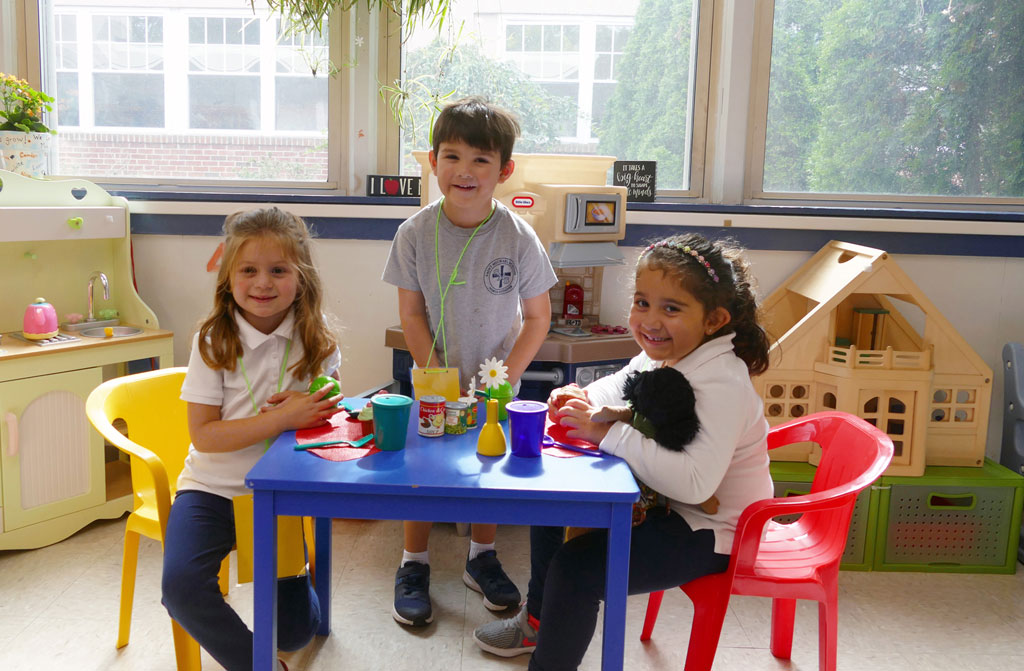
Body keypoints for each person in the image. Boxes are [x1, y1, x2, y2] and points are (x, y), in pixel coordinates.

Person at [472, 232, 774, 670]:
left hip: (713, 530)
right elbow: (620, 385)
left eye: (671, 308)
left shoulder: (721, 380)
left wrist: (605, 435)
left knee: (577, 571)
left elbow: (694, 484)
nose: (650, 320)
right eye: (642, 302)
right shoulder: (667, 354)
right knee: (550, 511)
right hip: (667, 504)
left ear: (714, 320)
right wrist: (578, 395)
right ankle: (537, 621)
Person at [381, 96, 558, 626]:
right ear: (433, 162)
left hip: (495, 386)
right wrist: (437, 374)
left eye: (481, 160)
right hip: (433, 378)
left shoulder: (519, 236)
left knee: (487, 469)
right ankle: (414, 563)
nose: (465, 170)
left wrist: (507, 377)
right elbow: (410, 315)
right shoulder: (413, 232)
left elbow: (538, 318)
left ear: (504, 170)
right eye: (452, 156)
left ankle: (482, 558)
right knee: (422, 470)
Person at [162, 207, 343, 671]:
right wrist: (281, 419)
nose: (263, 283)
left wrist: (321, 403)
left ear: (301, 279)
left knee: (296, 632)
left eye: (278, 270)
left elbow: (327, 418)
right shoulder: (211, 341)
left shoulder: (317, 341)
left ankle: (303, 591)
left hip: (278, 495)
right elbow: (203, 436)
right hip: (210, 491)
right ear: (228, 277)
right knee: (180, 588)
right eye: (249, 270)